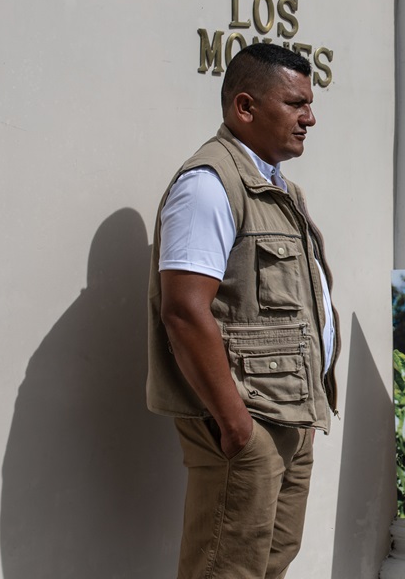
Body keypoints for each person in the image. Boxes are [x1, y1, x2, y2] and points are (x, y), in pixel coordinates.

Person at [146, 44, 339, 579]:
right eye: (295, 103)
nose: (310, 117)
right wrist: (236, 427)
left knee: (266, 566)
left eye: (309, 103)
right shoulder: (209, 185)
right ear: (245, 108)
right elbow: (184, 312)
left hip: (291, 415)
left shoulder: (279, 188)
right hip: (249, 421)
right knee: (225, 570)